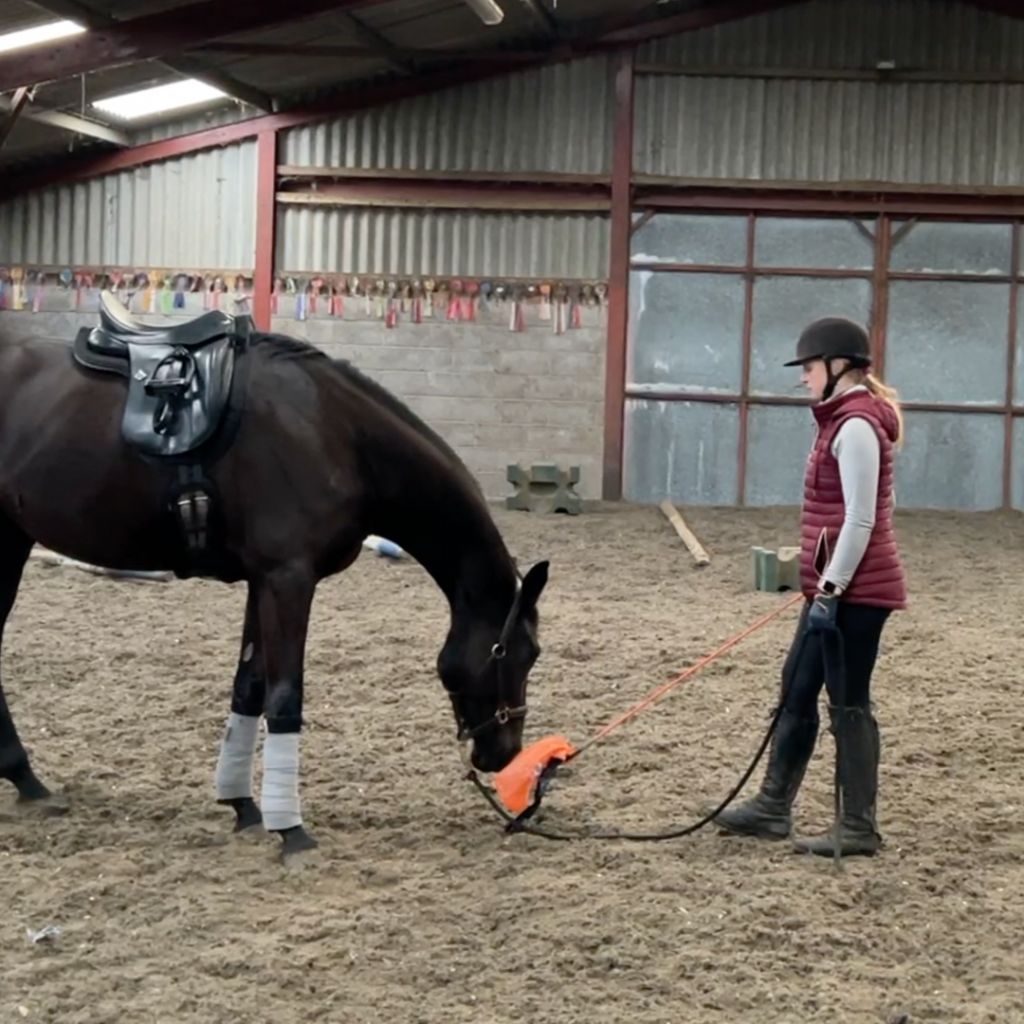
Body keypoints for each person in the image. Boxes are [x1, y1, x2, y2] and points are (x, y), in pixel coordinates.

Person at [714, 316, 907, 857]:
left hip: (857, 594)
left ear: (837, 367)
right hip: (835, 587)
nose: (803, 378)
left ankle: (859, 827)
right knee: (797, 684)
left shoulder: (857, 427)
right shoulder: (838, 421)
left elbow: (865, 518)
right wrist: (825, 585)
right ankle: (774, 806)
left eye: (808, 367)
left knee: (848, 699)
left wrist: (833, 587)